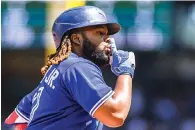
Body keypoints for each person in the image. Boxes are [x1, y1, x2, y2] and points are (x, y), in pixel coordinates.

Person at [4, 6, 135, 130]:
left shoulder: (59, 69)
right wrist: (125, 71)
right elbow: (115, 115)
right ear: (77, 39)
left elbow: (16, 120)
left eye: (107, 35)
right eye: (100, 33)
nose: (108, 40)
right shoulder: (78, 66)